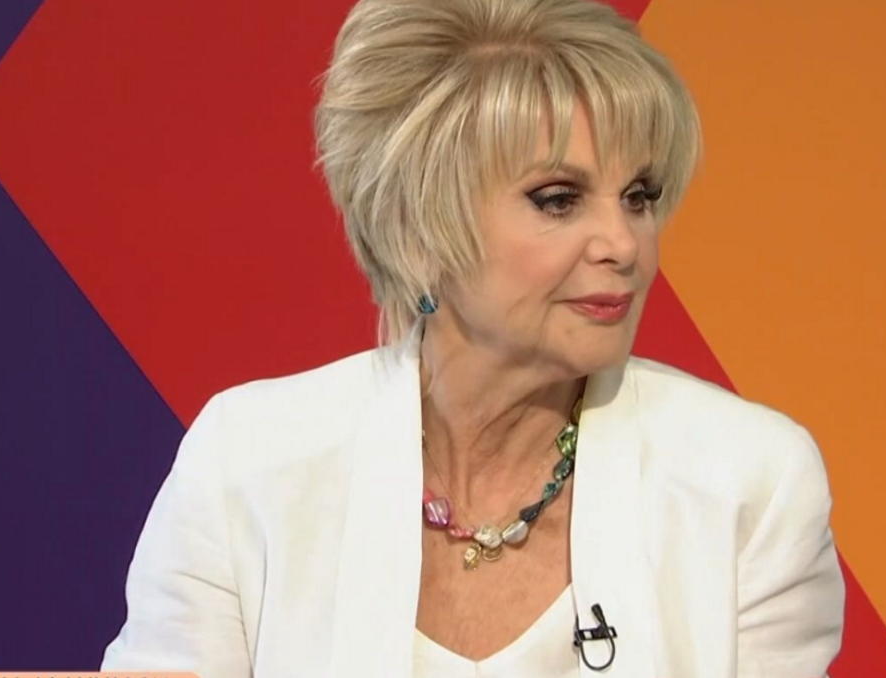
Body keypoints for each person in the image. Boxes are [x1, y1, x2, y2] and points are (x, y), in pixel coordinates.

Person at [99, 0, 845, 675]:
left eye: (639, 197)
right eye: (558, 200)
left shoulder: (751, 483)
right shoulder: (249, 459)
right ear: (421, 225)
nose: (624, 244)